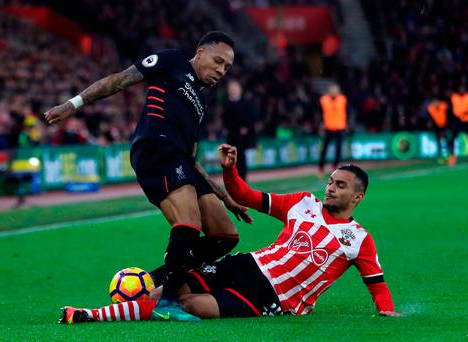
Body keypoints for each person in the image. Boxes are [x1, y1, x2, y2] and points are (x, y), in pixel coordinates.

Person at [59, 144, 401, 323]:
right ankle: (98, 312)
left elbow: (377, 284)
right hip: (247, 265)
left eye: (340, 186)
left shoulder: (358, 239)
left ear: (357, 197)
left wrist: (386, 310)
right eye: (331, 181)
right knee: (173, 287)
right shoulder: (303, 203)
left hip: (274, 298)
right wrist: (229, 170)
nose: (330, 188)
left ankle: (112, 314)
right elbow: (246, 196)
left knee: (189, 304)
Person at [44, 31, 253, 320]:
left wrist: (223, 195)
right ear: (201, 53)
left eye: (227, 68)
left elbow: (191, 158)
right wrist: (73, 104)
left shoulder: (200, 103)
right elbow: (118, 80)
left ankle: (155, 281)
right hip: (155, 149)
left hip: (180, 159)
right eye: (218, 61)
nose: (221, 70)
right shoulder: (171, 61)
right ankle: (167, 303)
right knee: (188, 223)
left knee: (225, 236)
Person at [223, 80, 257, 180]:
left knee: (241, 158)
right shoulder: (227, 103)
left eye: (235, 88)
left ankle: (242, 179)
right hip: (231, 135)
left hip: (242, 136)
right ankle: (233, 179)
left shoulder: (246, 102)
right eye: (231, 89)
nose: (233, 91)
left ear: (240, 90)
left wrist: (246, 128)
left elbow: (252, 117)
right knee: (231, 158)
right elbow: (225, 118)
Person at [317, 84, 348, 177]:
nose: (334, 92)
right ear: (329, 91)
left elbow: (346, 112)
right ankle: (321, 168)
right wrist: (320, 124)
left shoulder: (342, 99)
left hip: (340, 128)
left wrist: (347, 124)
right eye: (332, 90)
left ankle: (335, 166)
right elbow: (319, 112)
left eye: (336, 90)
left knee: (338, 149)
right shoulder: (324, 100)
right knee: (324, 150)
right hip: (328, 128)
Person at [449, 86, 468, 166]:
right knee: (453, 137)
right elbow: (451, 108)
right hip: (458, 120)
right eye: (460, 89)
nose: (462, 90)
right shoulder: (454, 97)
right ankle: (453, 156)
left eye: (463, 89)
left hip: (467, 120)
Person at [426, 98, 452, 163]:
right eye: (434, 102)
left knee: (447, 140)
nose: (435, 104)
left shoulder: (443, 106)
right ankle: (440, 157)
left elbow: (449, 112)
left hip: (445, 126)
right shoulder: (430, 108)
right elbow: (429, 118)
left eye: (437, 102)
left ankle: (449, 155)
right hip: (437, 127)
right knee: (438, 142)